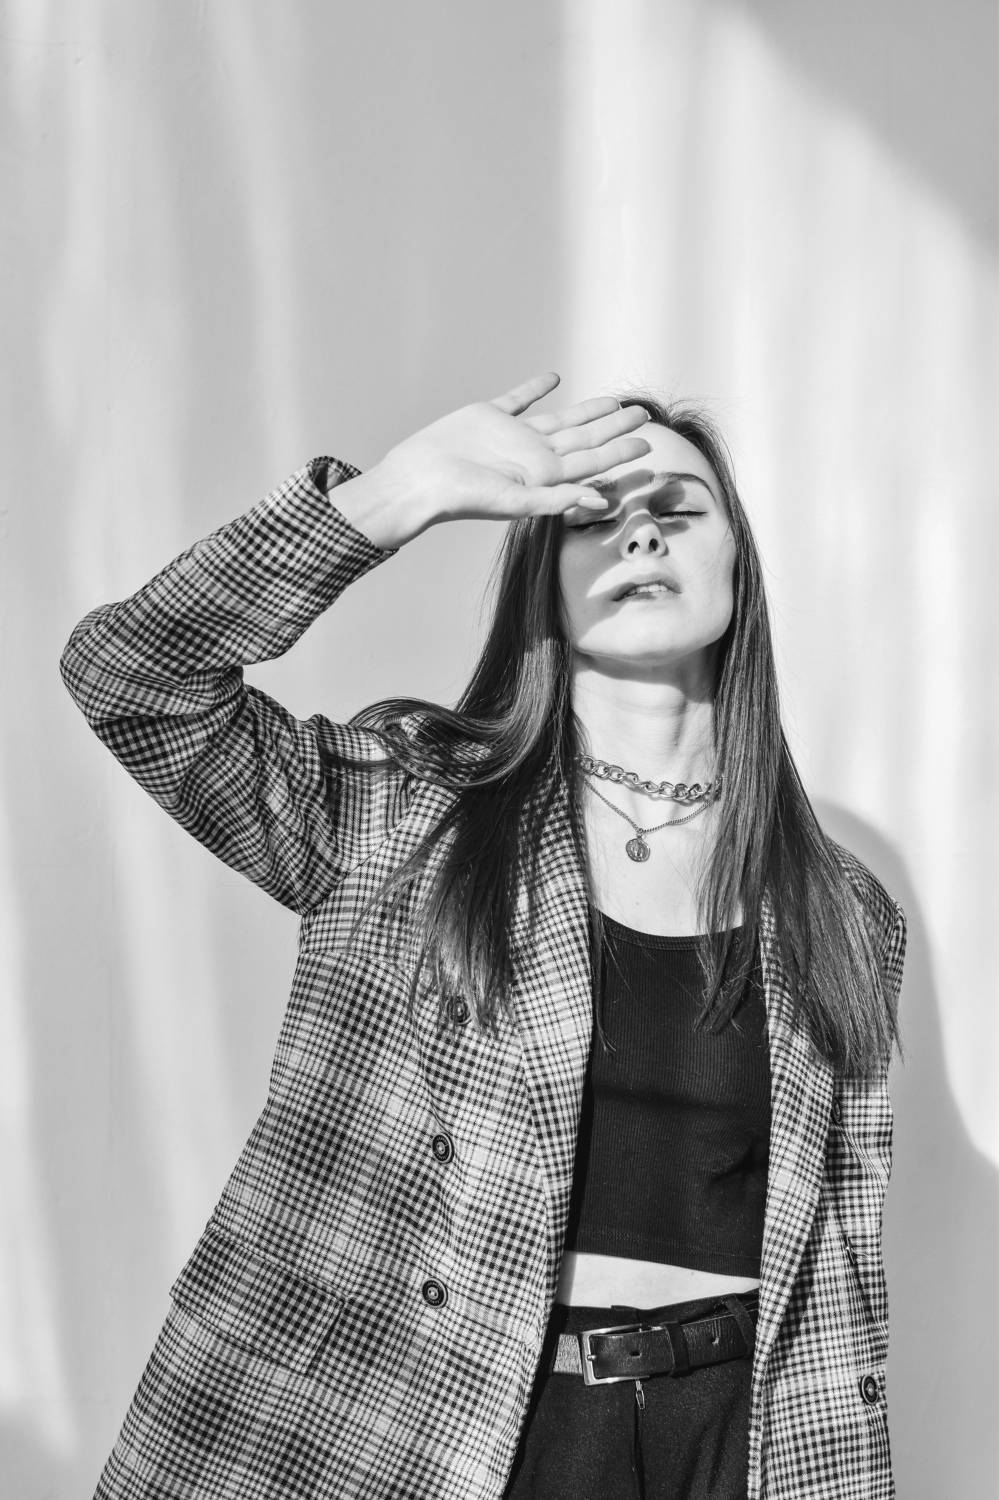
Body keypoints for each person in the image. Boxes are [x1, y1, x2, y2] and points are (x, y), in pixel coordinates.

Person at [60, 372, 906, 1500]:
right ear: (541, 583)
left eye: (678, 510)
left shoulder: (841, 910)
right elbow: (129, 680)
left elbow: (832, 1273)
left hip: (723, 1442)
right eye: (592, 517)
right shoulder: (407, 807)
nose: (640, 533)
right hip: (422, 1427)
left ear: (738, 568)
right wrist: (392, 498)